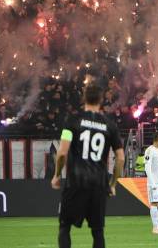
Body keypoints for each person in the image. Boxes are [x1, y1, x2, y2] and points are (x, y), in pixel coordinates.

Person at [51, 82, 124, 248]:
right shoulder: (110, 125)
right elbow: (120, 157)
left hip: (75, 181)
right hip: (99, 183)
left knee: (65, 227)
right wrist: (112, 184)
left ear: (84, 98)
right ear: (101, 100)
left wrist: (56, 175)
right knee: (98, 232)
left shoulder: (72, 121)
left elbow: (62, 152)